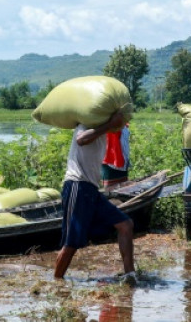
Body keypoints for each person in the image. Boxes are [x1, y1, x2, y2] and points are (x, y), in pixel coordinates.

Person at [54, 110, 136, 284]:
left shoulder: (101, 131)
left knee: (126, 225)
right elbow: (81, 140)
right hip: (77, 185)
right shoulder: (84, 127)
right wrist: (109, 125)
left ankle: (130, 276)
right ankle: (57, 282)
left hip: (91, 189)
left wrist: (110, 126)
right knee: (71, 243)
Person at [101, 123, 131, 188]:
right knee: (110, 190)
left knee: (123, 189)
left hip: (122, 162)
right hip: (110, 162)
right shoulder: (110, 124)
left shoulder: (124, 126)